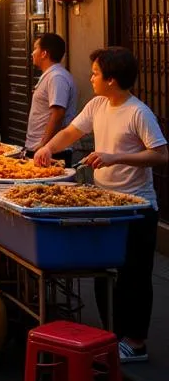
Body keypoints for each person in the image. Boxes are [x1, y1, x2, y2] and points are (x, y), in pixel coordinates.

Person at [36, 47, 167, 363]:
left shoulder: (138, 112)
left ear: (111, 79)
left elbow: (161, 154)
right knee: (102, 271)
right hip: (106, 204)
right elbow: (71, 131)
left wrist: (114, 156)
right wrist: (47, 149)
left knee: (134, 276)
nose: (91, 77)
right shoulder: (97, 104)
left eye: (95, 73)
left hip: (137, 207)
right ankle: (112, 335)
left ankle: (135, 342)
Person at [25, 32, 77, 161]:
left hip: (51, 150)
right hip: (40, 147)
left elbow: (58, 113)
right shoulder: (51, 75)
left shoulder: (57, 77)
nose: (32, 53)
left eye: (35, 48)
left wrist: (44, 144)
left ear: (44, 53)